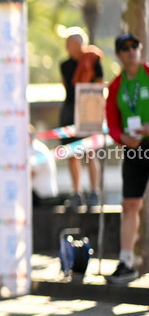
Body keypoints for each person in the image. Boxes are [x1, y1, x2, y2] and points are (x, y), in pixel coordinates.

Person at [104, 33, 149, 285]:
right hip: (134, 150)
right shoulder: (115, 86)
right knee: (129, 205)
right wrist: (122, 137)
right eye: (125, 47)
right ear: (119, 55)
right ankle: (127, 262)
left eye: (135, 46)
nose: (131, 50)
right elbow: (112, 123)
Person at [60, 28, 104, 207]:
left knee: (89, 151)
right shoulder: (64, 65)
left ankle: (94, 191)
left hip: (88, 107)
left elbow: (100, 84)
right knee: (72, 152)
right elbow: (65, 85)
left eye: (72, 43)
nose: (69, 47)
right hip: (70, 107)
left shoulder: (94, 60)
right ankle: (76, 191)